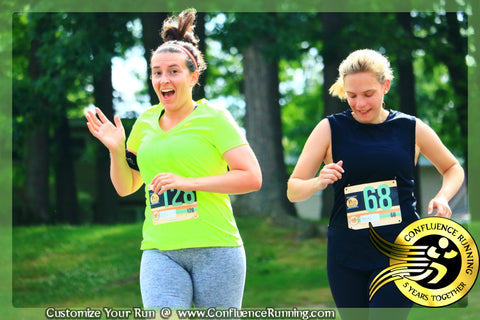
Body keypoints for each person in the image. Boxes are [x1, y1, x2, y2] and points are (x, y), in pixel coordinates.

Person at [85, 9, 262, 310]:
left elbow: (251, 177)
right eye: (157, 72)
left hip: (216, 248)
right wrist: (116, 149)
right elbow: (126, 186)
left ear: (193, 76)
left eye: (173, 71)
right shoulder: (144, 123)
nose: (163, 79)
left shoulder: (215, 119)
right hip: (160, 249)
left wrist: (188, 182)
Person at [286, 49, 464, 319]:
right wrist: (317, 182)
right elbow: (293, 189)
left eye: (368, 94)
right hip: (346, 254)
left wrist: (443, 196)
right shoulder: (329, 129)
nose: (359, 104)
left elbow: (452, 168)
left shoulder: (410, 128)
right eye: (352, 95)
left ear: (385, 86)